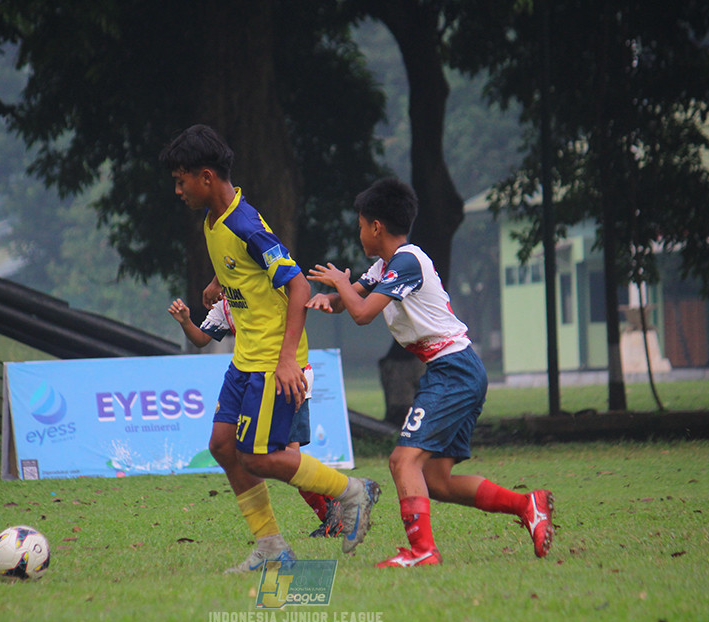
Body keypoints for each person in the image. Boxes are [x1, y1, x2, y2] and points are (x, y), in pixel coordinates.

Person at [159, 124, 377, 573]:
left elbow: (297, 287)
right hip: (246, 359)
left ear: (205, 177)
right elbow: (244, 268)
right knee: (222, 445)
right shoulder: (214, 221)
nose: (176, 190)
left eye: (181, 180)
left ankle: (353, 491)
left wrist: (285, 360)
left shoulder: (245, 223)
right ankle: (272, 546)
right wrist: (220, 280)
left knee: (258, 456)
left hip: (273, 360)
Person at [306, 177, 554, 567]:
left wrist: (341, 285)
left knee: (402, 462)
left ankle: (422, 552)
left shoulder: (407, 261)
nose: (358, 232)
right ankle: (528, 505)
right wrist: (330, 295)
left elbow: (362, 313)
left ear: (376, 227)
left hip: (453, 371)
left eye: (359, 225)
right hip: (455, 369)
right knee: (436, 482)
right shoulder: (387, 266)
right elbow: (350, 300)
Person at [167, 297, 343, 537]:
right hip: (252, 381)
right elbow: (201, 339)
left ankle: (341, 504)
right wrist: (186, 321)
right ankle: (336, 509)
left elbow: (297, 296)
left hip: (286, 377)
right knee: (267, 456)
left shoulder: (263, 289)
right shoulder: (227, 304)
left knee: (285, 457)